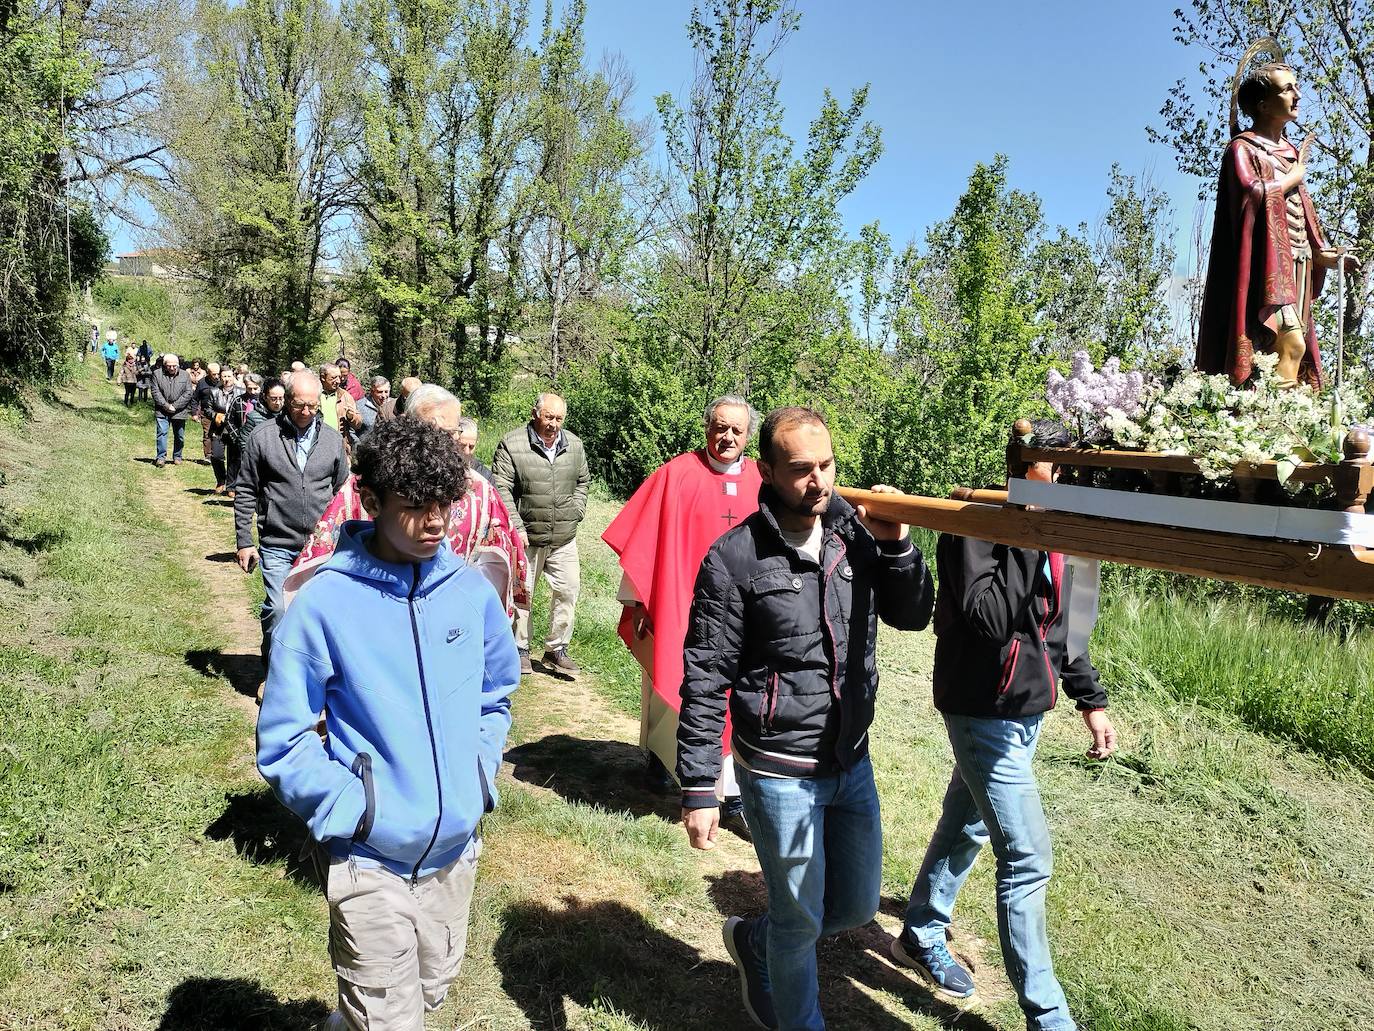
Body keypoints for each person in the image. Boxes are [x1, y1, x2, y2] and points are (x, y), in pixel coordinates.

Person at [256, 415, 519, 1031]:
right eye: (415, 507)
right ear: (370, 501)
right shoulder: (324, 602)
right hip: (370, 860)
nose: (435, 523)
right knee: (392, 1022)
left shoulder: (470, 594)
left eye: (445, 505)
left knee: (428, 992)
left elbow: (495, 694)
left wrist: (478, 775)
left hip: (457, 853)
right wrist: (357, 811)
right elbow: (284, 740)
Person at [677, 406, 934, 1031]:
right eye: (800, 470)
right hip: (779, 770)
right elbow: (706, 674)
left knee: (852, 905)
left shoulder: (857, 534)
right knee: (801, 922)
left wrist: (898, 543)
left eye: (826, 465)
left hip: (850, 758)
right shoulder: (734, 559)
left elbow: (913, 613)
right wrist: (699, 786)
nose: (818, 481)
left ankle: (754, 940)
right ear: (766, 470)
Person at [889, 420, 1117, 1031]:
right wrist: (1028, 532)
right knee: (1027, 858)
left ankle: (921, 926)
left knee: (966, 824)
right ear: (1025, 468)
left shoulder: (1065, 534)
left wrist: (1089, 700)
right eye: (1056, 467)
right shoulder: (978, 522)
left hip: (1025, 711)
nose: (1069, 479)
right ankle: (1050, 1018)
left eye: (1075, 471)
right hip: (981, 709)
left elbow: (1066, 631)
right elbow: (988, 616)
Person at [602, 396, 762, 817]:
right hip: (682, 603)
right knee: (671, 676)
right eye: (720, 427)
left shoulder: (764, 481)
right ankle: (660, 757)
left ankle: (731, 796)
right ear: (708, 426)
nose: (727, 437)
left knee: (733, 695)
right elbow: (644, 540)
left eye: (736, 430)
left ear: (749, 435)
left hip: (741, 610)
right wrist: (638, 601)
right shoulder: (676, 474)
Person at [285, 384, 529, 620]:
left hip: (448, 616)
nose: (437, 444)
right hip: (371, 613)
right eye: (428, 431)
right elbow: (321, 555)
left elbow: (504, 559)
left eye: (449, 434)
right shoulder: (364, 485)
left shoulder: (478, 489)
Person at [1196, 43, 1361, 387]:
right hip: (1263, 268)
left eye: (1296, 87)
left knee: (1283, 351)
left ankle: (1284, 424)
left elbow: (1302, 214)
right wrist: (1290, 179)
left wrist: (1322, 254)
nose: (1298, 95)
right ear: (1262, 104)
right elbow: (1250, 194)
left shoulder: (1288, 151)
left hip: (1297, 264)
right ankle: (1275, 425)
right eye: (1288, 89)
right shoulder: (1242, 148)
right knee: (1290, 343)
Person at [234, 370, 350, 675]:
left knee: (319, 614)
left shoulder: (332, 441)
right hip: (277, 542)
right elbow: (246, 489)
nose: (306, 412)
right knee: (279, 609)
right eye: (299, 405)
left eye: (312, 406)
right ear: (286, 401)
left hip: (322, 545)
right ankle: (276, 675)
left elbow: (343, 493)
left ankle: (313, 675)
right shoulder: (264, 437)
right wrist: (245, 542)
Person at [491, 392, 591, 676]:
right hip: (527, 536)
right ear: (535, 414)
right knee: (523, 594)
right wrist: (516, 526)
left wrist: (577, 510)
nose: (554, 424)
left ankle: (556, 649)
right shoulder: (512, 444)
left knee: (568, 590)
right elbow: (501, 489)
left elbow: (583, 481)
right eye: (549, 417)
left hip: (563, 536)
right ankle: (520, 648)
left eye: (559, 418)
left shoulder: (574, 445)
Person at [150, 354, 194, 468]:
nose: (172, 368)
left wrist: (175, 406)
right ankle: (160, 457)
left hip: (180, 411)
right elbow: (155, 392)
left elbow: (188, 393)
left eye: (174, 366)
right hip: (162, 410)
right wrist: (166, 406)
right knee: (162, 433)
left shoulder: (185, 375)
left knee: (179, 435)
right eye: (169, 366)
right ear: (165, 365)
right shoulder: (157, 374)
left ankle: (177, 456)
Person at [205, 367, 240, 493]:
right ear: (220, 377)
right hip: (218, 429)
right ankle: (220, 480)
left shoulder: (240, 392)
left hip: (234, 430)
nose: (226, 379)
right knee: (217, 456)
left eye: (229, 376)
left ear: (233, 377)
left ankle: (232, 486)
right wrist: (216, 416)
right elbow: (207, 409)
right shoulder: (214, 392)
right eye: (224, 376)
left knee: (234, 459)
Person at [319, 363, 362, 439]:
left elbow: (358, 424)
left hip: (338, 443)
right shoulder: (314, 394)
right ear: (323, 377)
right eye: (334, 378)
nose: (338, 381)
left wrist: (352, 417)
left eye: (339, 377)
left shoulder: (345, 396)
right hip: (317, 441)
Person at [455, 417, 491, 482]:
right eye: (462, 446)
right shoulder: (441, 469)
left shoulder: (484, 475)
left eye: (471, 447)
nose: (467, 452)